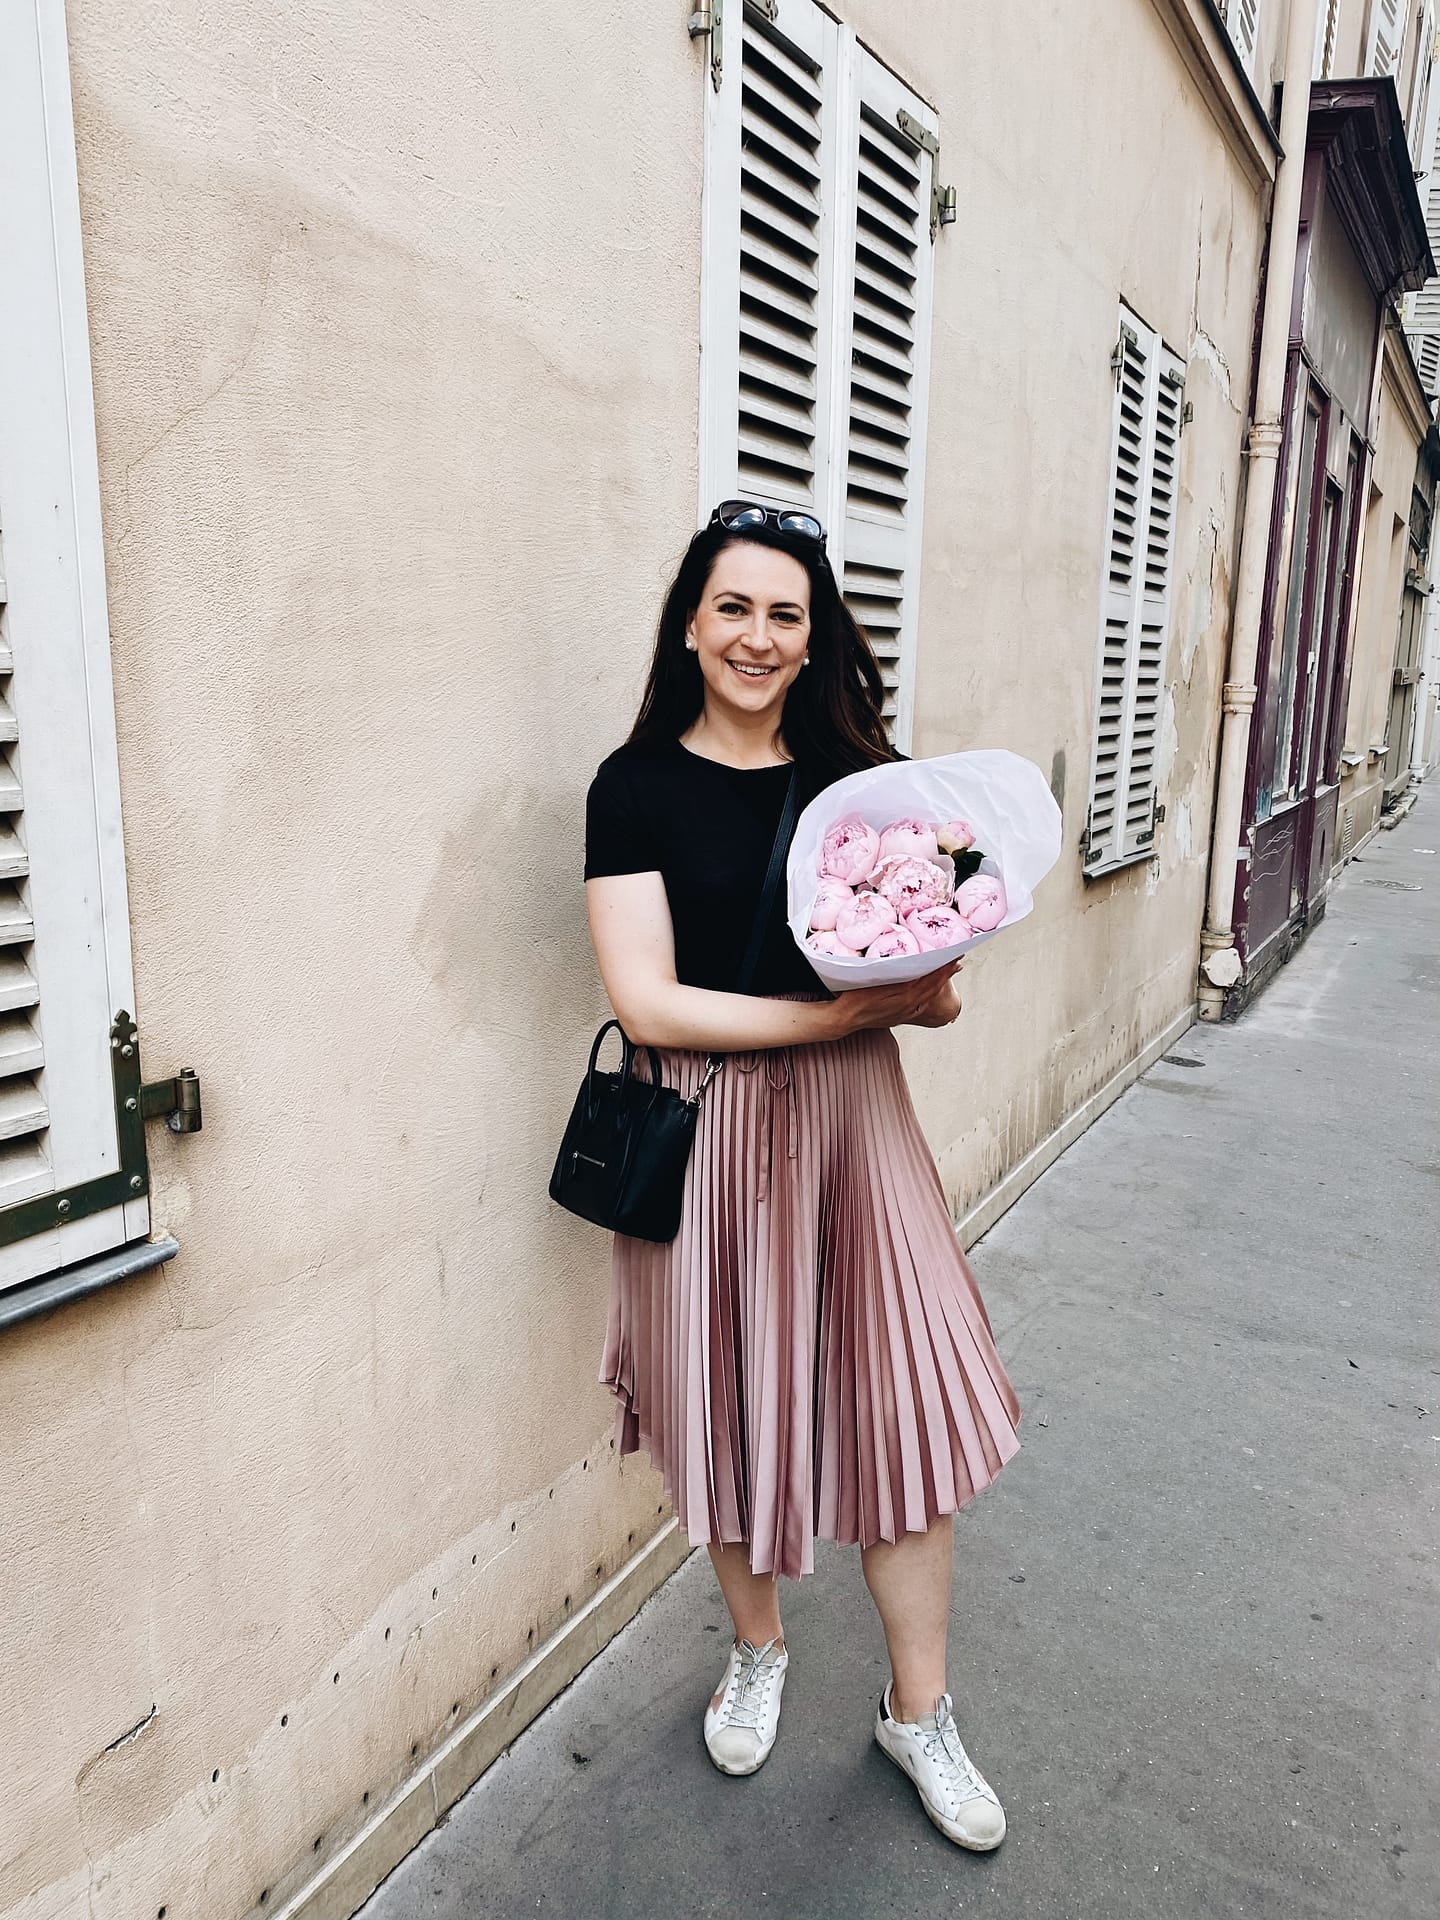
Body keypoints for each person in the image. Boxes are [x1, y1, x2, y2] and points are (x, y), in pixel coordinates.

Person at [582, 501, 1021, 1851]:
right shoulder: (633, 785)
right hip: (701, 1129)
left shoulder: (866, 783)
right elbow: (648, 1004)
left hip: (854, 1134)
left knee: (909, 1405)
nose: (759, 637)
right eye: (734, 608)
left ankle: (917, 1712)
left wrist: (920, 994)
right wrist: (832, 1021)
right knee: (723, 1404)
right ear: (690, 623)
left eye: (787, 613)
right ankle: (759, 1647)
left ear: (815, 632)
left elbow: (926, 985)